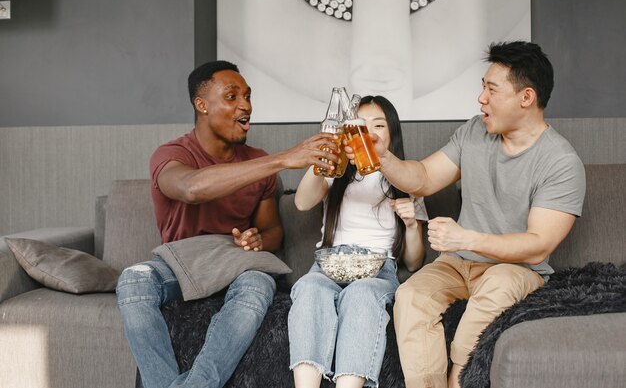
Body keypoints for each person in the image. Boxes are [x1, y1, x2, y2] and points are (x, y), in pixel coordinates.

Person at [345, 42, 586, 388]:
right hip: (457, 264)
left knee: (499, 285)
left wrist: (466, 237)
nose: (480, 98)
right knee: (411, 296)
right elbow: (425, 178)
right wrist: (383, 158)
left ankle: (461, 376)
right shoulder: (474, 132)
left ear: (526, 97)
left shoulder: (561, 163)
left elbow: (537, 246)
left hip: (517, 269)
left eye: (491, 89)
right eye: (482, 87)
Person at [116, 60, 340, 388]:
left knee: (259, 284)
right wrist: (282, 158)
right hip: (180, 262)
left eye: (247, 96)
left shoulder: (256, 160)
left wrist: (258, 240)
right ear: (201, 105)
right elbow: (192, 188)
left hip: (236, 262)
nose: (245, 105)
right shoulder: (171, 154)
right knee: (133, 280)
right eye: (232, 97)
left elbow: (273, 231)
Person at [288, 95, 429, 388]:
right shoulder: (336, 172)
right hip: (328, 264)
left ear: (392, 133)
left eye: (379, 125)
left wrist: (412, 224)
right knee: (308, 287)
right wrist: (326, 157)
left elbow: (414, 262)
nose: (370, 133)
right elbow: (301, 202)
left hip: (377, 267)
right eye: (361, 125)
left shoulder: (407, 178)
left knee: (361, 294)